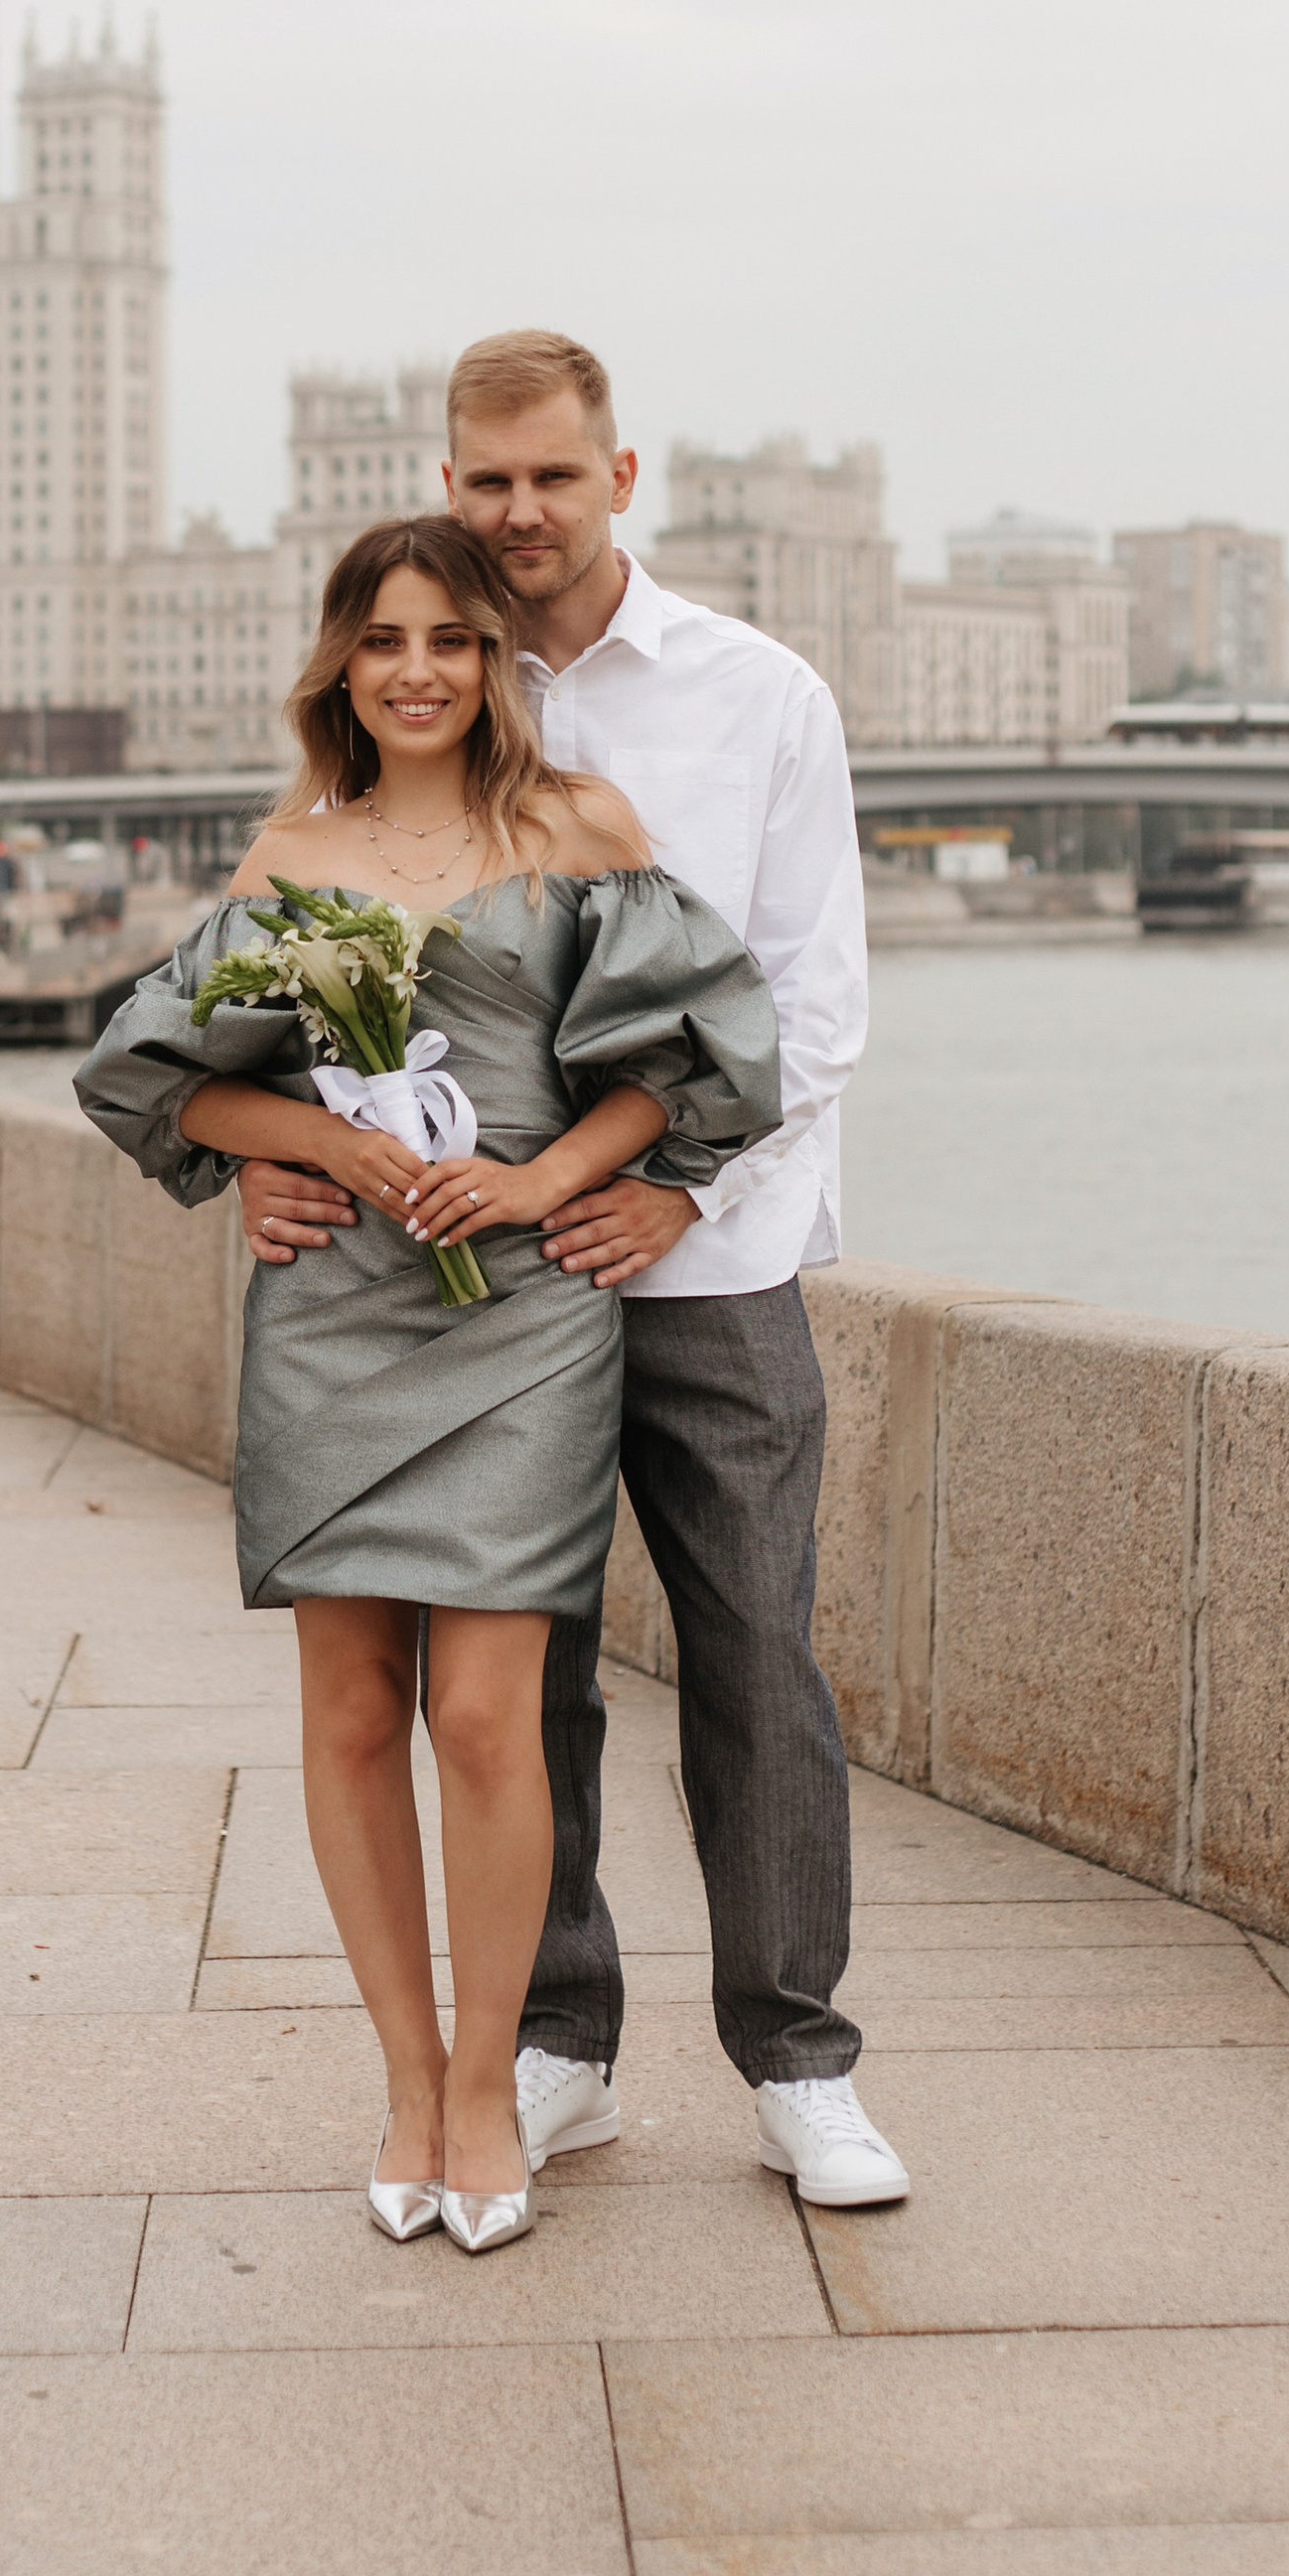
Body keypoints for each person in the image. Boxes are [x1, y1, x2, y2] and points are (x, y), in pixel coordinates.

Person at [234, 330, 909, 2212]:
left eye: (549, 476)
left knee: (755, 1655)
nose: (515, 513)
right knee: (505, 1689)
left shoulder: (758, 694)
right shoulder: (414, 677)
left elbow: (808, 1003)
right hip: (462, 1299)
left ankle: (799, 2062)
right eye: (483, 481)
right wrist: (271, 1176)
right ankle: (557, 2047)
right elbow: (301, 1004)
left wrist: (678, 1199)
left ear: (624, 478)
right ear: (446, 486)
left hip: (702, 1258)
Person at [75, 514, 781, 2253]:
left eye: (451, 641)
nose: (416, 669)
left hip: (526, 1309)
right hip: (336, 1311)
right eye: (383, 639)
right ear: (341, 662)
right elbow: (158, 1079)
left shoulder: (578, 831)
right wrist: (297, 1141)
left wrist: (543, 1187)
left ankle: (494, 2082)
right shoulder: (288, 854)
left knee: (482, 1716)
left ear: (492, 664)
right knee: (343, 1711)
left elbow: (690, 1063)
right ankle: (407, 2080)